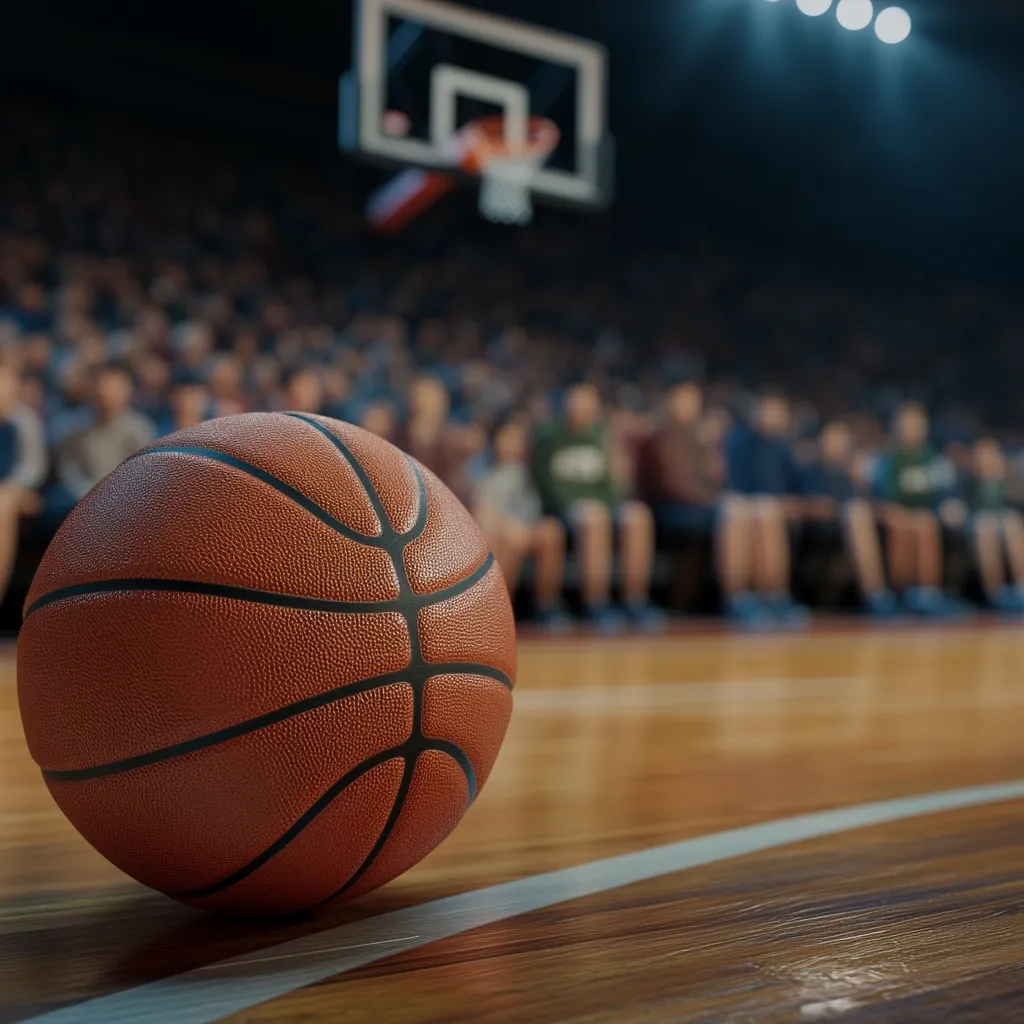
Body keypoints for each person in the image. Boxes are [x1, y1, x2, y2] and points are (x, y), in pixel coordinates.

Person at [530, 382, 661, 631]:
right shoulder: (548, 437)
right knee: (594, 517)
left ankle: (635, 600)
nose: (581, 405)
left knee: (637, 516)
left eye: (587, 399)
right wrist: (579, 501)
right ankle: (596, 603)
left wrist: (611, 497)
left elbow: (614, 486)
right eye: (576, 399)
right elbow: (545, 486)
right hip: (564, 509)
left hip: (600, 505)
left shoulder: (603, 437)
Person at [639, 382, 741, 604]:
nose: (687, 406)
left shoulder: (703, 437)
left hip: (703, 504)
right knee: (731, 515)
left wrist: (713, 448)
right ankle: (734, 596)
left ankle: (757, 594)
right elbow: (670, 484)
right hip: (671, 507)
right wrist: (708, 500)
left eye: (692, 401)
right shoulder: (658, 437)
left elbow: (717, 478)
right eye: (682, 399)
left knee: (742, 512)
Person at [723, 391, 807, 626]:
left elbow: (794, 485)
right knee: (756, 510)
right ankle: (741, 599)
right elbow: (736, 484)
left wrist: (792, 502)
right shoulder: (739, 441)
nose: (773, 417)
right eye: (768, 410)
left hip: (774, 507)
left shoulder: (783, 446)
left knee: (767, 511)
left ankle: (775, 596)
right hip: (747, 505)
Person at [475, 421, 568, 629]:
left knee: (552, 531)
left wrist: (524, 528)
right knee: (510, 538)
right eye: (507, 438)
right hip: (492, 533)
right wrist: (508, 526)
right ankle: (498, 613)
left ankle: (547, 607)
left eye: (517, 440)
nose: (512, 445)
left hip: (524, 528)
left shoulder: (527, 471)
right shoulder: (483, 470)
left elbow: (533, 511)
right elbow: (482, 515)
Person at [797, 421, 896, 615]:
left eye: (840, 440)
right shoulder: (808, 471)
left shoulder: (848, 474)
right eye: (831, 439)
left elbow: (867, 501)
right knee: (856, 514)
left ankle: (899, 595)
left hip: (852, 524)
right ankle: (875, 594)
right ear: (820, 441)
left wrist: (860, 483)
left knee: (866, 514)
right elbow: (802, 503)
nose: (835, 444)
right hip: (819, 527)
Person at [874, 402, 961, 616]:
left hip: (924, 516)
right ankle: (901, 593)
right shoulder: (886, 458)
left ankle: (927, 594)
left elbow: (947, 493)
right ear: (895, 427)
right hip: (892, 515)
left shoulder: (933, 459)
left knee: (924, 522)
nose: (910, 429)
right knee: (907, 522)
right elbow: (879, 497)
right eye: (906, 424)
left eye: (916, 424)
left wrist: (951, 506)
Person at [48, 365, 156, 525]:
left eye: (115, 389)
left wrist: (116, 496)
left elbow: (147, 472)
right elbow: (70, 470)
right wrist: (90, 494)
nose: (108, 396)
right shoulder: (76, 430)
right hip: (84, 497)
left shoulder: (139, 429)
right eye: (103, 389)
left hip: (126, 498)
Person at [964, 437, 1024, 611]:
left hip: (1007, 529)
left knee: (1010, 525)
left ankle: (1021, 590)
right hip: (978, 530)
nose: (985, 460)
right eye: (981, 455)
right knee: (986, 526)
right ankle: (995, 594)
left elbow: (1018, 507)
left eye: (990, 455)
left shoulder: (1010, 482)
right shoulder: (967, 482)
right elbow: (960, 507)